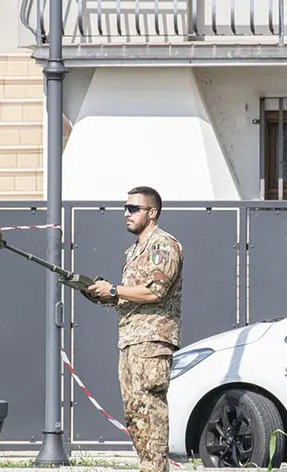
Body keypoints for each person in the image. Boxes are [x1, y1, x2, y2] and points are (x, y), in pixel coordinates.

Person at [86, 186, 183, 472]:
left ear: (152, 213)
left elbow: (156, 292)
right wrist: (103, 294)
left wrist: (114, 289)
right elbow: (130, 296)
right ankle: (148, 466)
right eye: (126, 208)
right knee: (135, 412)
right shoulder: (134, 250)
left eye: (133, 209)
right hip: (130, 340)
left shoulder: (162, 245)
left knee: (149, 409)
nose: (126, 214)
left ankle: (154, 468)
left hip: (152, 342)